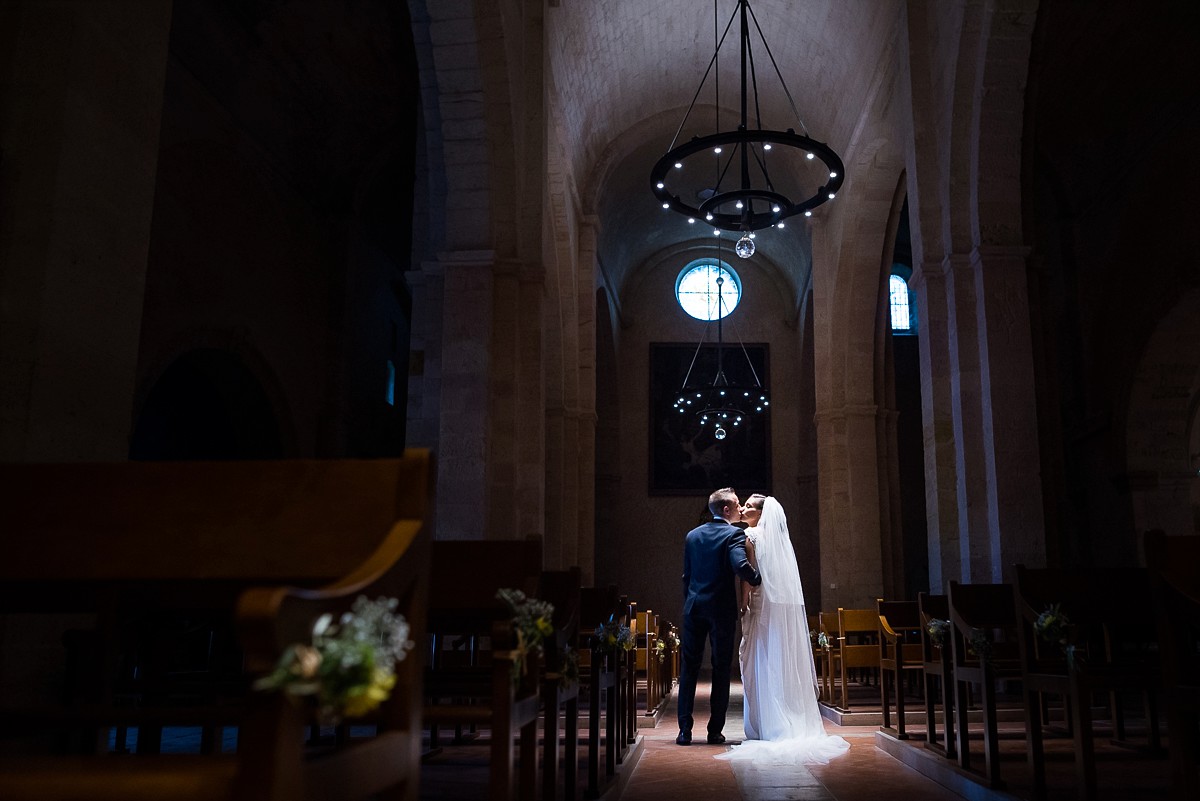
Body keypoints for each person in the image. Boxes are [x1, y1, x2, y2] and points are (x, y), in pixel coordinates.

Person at [717, 494, 849, 763]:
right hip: (778, 605)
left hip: (759, 605)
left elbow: (749, 579)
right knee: (779, 660)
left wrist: (743, 607)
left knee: (761, 661)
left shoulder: (751, 536)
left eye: (749, 507)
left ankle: (768, 724)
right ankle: (786, 717)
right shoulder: (779, 541)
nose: (743, 509)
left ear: (761, 513)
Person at [677, 487, 762, 746]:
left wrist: (690, 601)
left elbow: (686, 576)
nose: (740, 509)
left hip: (693, 608)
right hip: (721, 611)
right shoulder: (734, 533)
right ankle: (715, 730)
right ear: (726, 509)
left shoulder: (692, 535)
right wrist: (757, 578)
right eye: (737, 505)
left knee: (688, 669)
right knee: (721, 668)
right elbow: (739, 565)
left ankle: (684, 731)